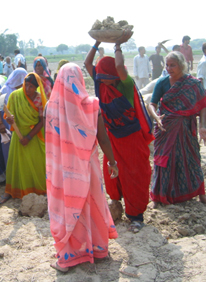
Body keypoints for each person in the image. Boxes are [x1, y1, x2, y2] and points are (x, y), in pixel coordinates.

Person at [46, 63, 118, 272]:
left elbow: (49, 142)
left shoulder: (50, 107)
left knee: (68, 207)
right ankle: (97, 248)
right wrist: (112, 163)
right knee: (92, 204)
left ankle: (69, 255)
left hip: (62, 170)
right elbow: (103, 139)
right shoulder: (92, 105)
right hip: (88, 167)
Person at [84, 31, 154, 233]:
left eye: (103, 74)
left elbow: (119, 67)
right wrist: (97, 42)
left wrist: (117, 46)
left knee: (135, 175)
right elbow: (88, 64)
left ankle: (136, 216)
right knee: (113, 175)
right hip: (113, 138)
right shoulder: (101, 85)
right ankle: (117, 206)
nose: (99, 76)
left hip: (131, 139)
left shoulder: (124, 84)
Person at [148, 51, 206, 207]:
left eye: (173, 65)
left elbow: (203, 104)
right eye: (167, 65)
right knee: (162, 161)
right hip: (165, 128)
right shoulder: (162, 82)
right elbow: (152, 103)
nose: (169, 68)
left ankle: (200, 194)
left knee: (192, 160)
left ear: (181, 65)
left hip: (186, 129)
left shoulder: (193, 84)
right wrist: (156, 117)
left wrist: (203, 126)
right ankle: (158, 196)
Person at [0, 73, 47, 204]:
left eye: (31, 86)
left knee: (35, 163)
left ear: (37, 88)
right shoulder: (15, 96)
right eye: (26, 85)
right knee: (17, 164)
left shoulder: (39, 100)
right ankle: (11, 191)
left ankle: (37, 190)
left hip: (33, 136)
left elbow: (42, 121)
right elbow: (8, 115)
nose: (28, 89)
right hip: (18, 137)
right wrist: (9, 119)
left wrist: (29, 137)